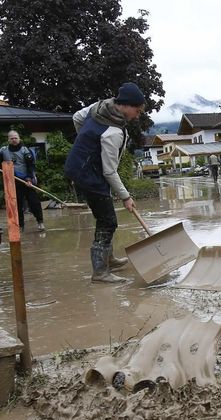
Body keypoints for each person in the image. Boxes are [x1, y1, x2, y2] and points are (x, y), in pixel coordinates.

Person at [64, 82, 145, 284]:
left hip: (82, 166)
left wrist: (86, 141)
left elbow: (77, 117)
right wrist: (126, 196)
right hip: (87, 174)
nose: (137, 115)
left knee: (105, 214)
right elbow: (109, 170)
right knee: (108, 221)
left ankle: (109, 259)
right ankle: (100, 272)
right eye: (137, 110)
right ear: (126, 105)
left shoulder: (98, 107)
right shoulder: (113, 133)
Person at [1, 130, 45, 232]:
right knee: (17, 205)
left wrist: (29, 179)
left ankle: (40, 222)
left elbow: (31, 166)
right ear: (8, 140)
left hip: (27, 180)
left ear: (19, 138)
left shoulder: (26, 151)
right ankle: (20, 226)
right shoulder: (3, 151)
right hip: (13, 182)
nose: (14, 140)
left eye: (16, 138)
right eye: (12, 138)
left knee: (34, 203)